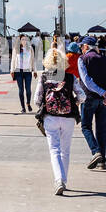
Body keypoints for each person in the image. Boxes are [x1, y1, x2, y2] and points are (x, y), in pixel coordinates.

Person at [34, 46, 86, 195]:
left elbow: (36, 100)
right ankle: (64, 180)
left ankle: (59, 180)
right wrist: (73, 102)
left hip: (50, 117)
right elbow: (82, 96)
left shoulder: (44, 76)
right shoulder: (70, 77)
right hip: (68, 117)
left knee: (54, 149)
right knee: (65, 150)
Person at [77, 36, 106, 169]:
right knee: (101, 130)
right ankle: (102, 161)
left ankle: (96, 151)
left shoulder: (82, 59)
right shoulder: (105, 59)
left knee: (86, 126)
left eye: (82, 46)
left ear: (86, 47)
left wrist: (102, 92)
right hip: (104, 101)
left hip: (89, 98)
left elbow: (86, 81)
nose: (81, 49)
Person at [11, 35, 36, 112]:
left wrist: (35, 70)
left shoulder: (30, 48)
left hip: (28, 71)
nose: (24, 41)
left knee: (28, 90)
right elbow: (13, 60)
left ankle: (28, 103)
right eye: (22, 39)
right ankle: (23, 107)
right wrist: (12, 70)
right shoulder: (16, 49)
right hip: (18, 71)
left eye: (25, 39)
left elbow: (33, 60)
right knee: (21, 90)